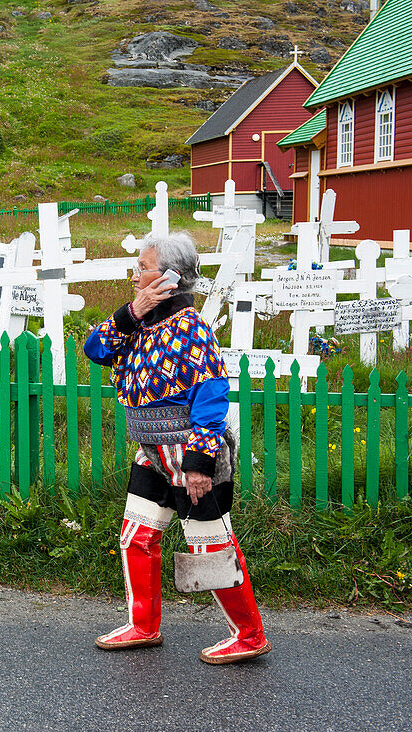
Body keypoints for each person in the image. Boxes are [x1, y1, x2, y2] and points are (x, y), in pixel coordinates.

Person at [83, 231, 272, 665]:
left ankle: (249, 635)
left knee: (211, 547)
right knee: (137, 537)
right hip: (151, 453)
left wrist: (200, 464)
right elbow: (96, 350)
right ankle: (143, 625)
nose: (135, 276)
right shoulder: (139, 322)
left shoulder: (191, 328)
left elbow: (211, 396)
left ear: (170, 277)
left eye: (143, 269)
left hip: (190, 459)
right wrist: (132, 312)